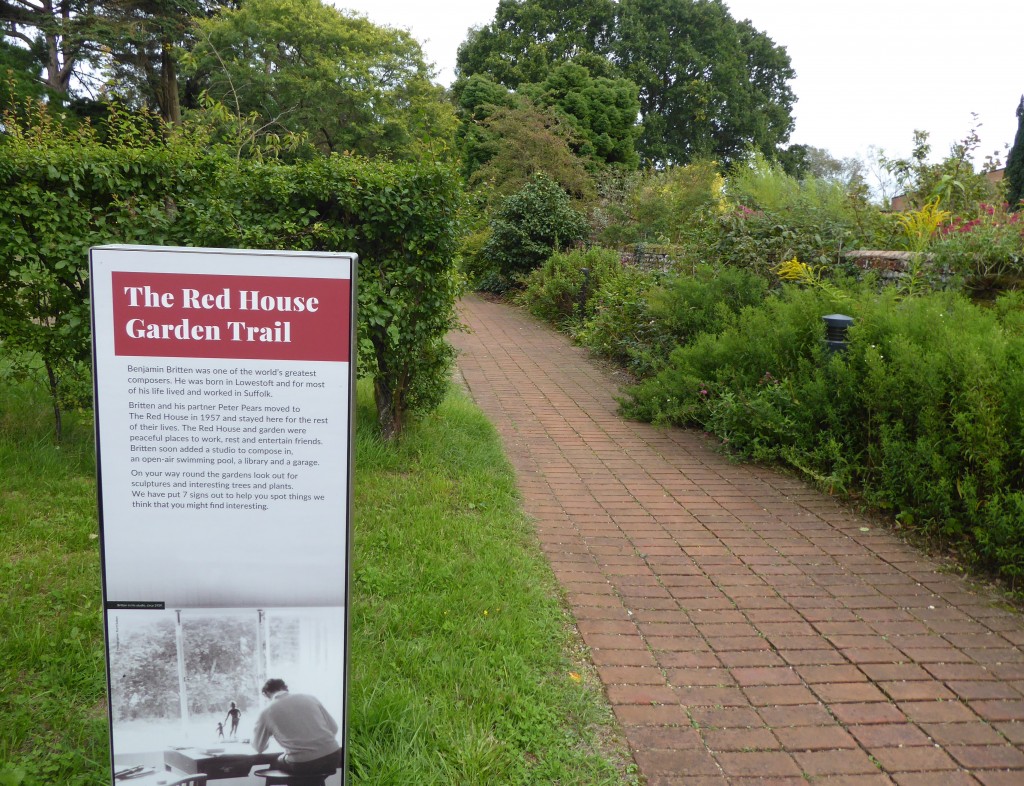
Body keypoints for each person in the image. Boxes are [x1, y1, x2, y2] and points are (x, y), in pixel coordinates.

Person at [252, 678, 342, 775]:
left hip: (304, 763)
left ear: (266, 694)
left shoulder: (266, 712)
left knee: (277, 763)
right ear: (285, 688)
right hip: (334, 756)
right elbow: (334, 728)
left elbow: (258, 747)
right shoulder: (310, 698)